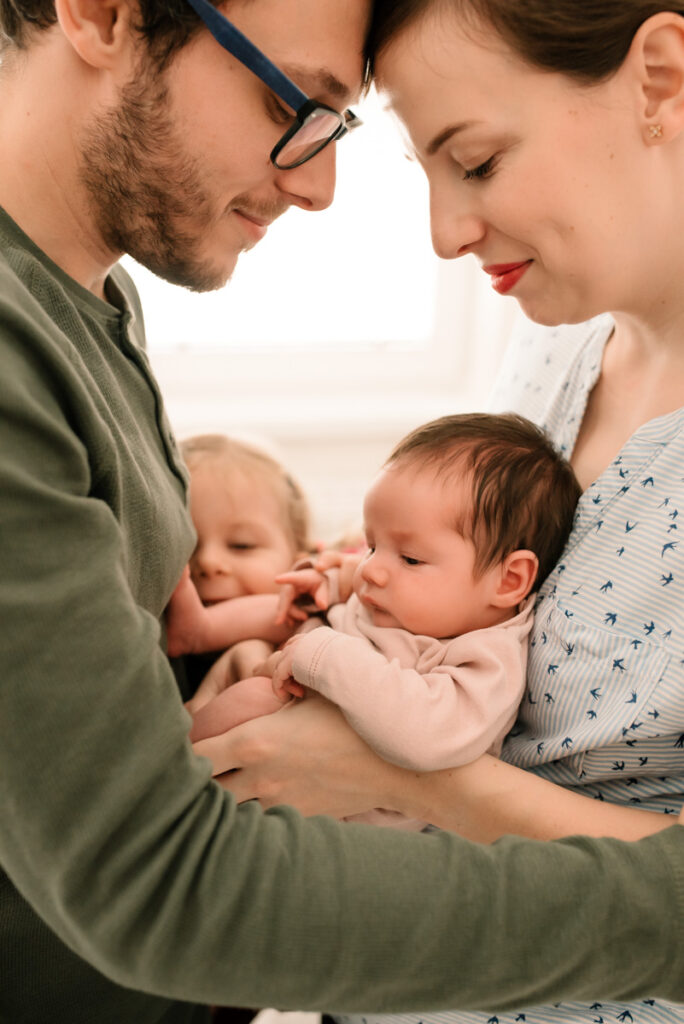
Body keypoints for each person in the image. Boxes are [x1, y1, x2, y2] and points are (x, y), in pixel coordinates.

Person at [1, 0, 684, 1022]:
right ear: (102, 12)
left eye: (481, 158)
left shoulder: (93, 301)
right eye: (292, 102)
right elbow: (156, 886)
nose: (319, 185)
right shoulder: (21, 352)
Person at [169, 412, 580, 834]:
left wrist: (325, 655)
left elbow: (429, 732)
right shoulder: (410, 596)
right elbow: (357, 574)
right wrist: (329, 579)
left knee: (256, 697)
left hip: (346, 809)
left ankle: (168, 774)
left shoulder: (487, 658)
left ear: (508, 580)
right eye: (372, 545)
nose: (372, 570)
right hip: (294, 683)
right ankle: (191, 697)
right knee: (249, 652)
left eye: (410, 558)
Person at [178, 432, 313, 695]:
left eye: (242, 545)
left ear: (298, 567)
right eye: (187, 545)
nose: (207, 562)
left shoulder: (311, 625)